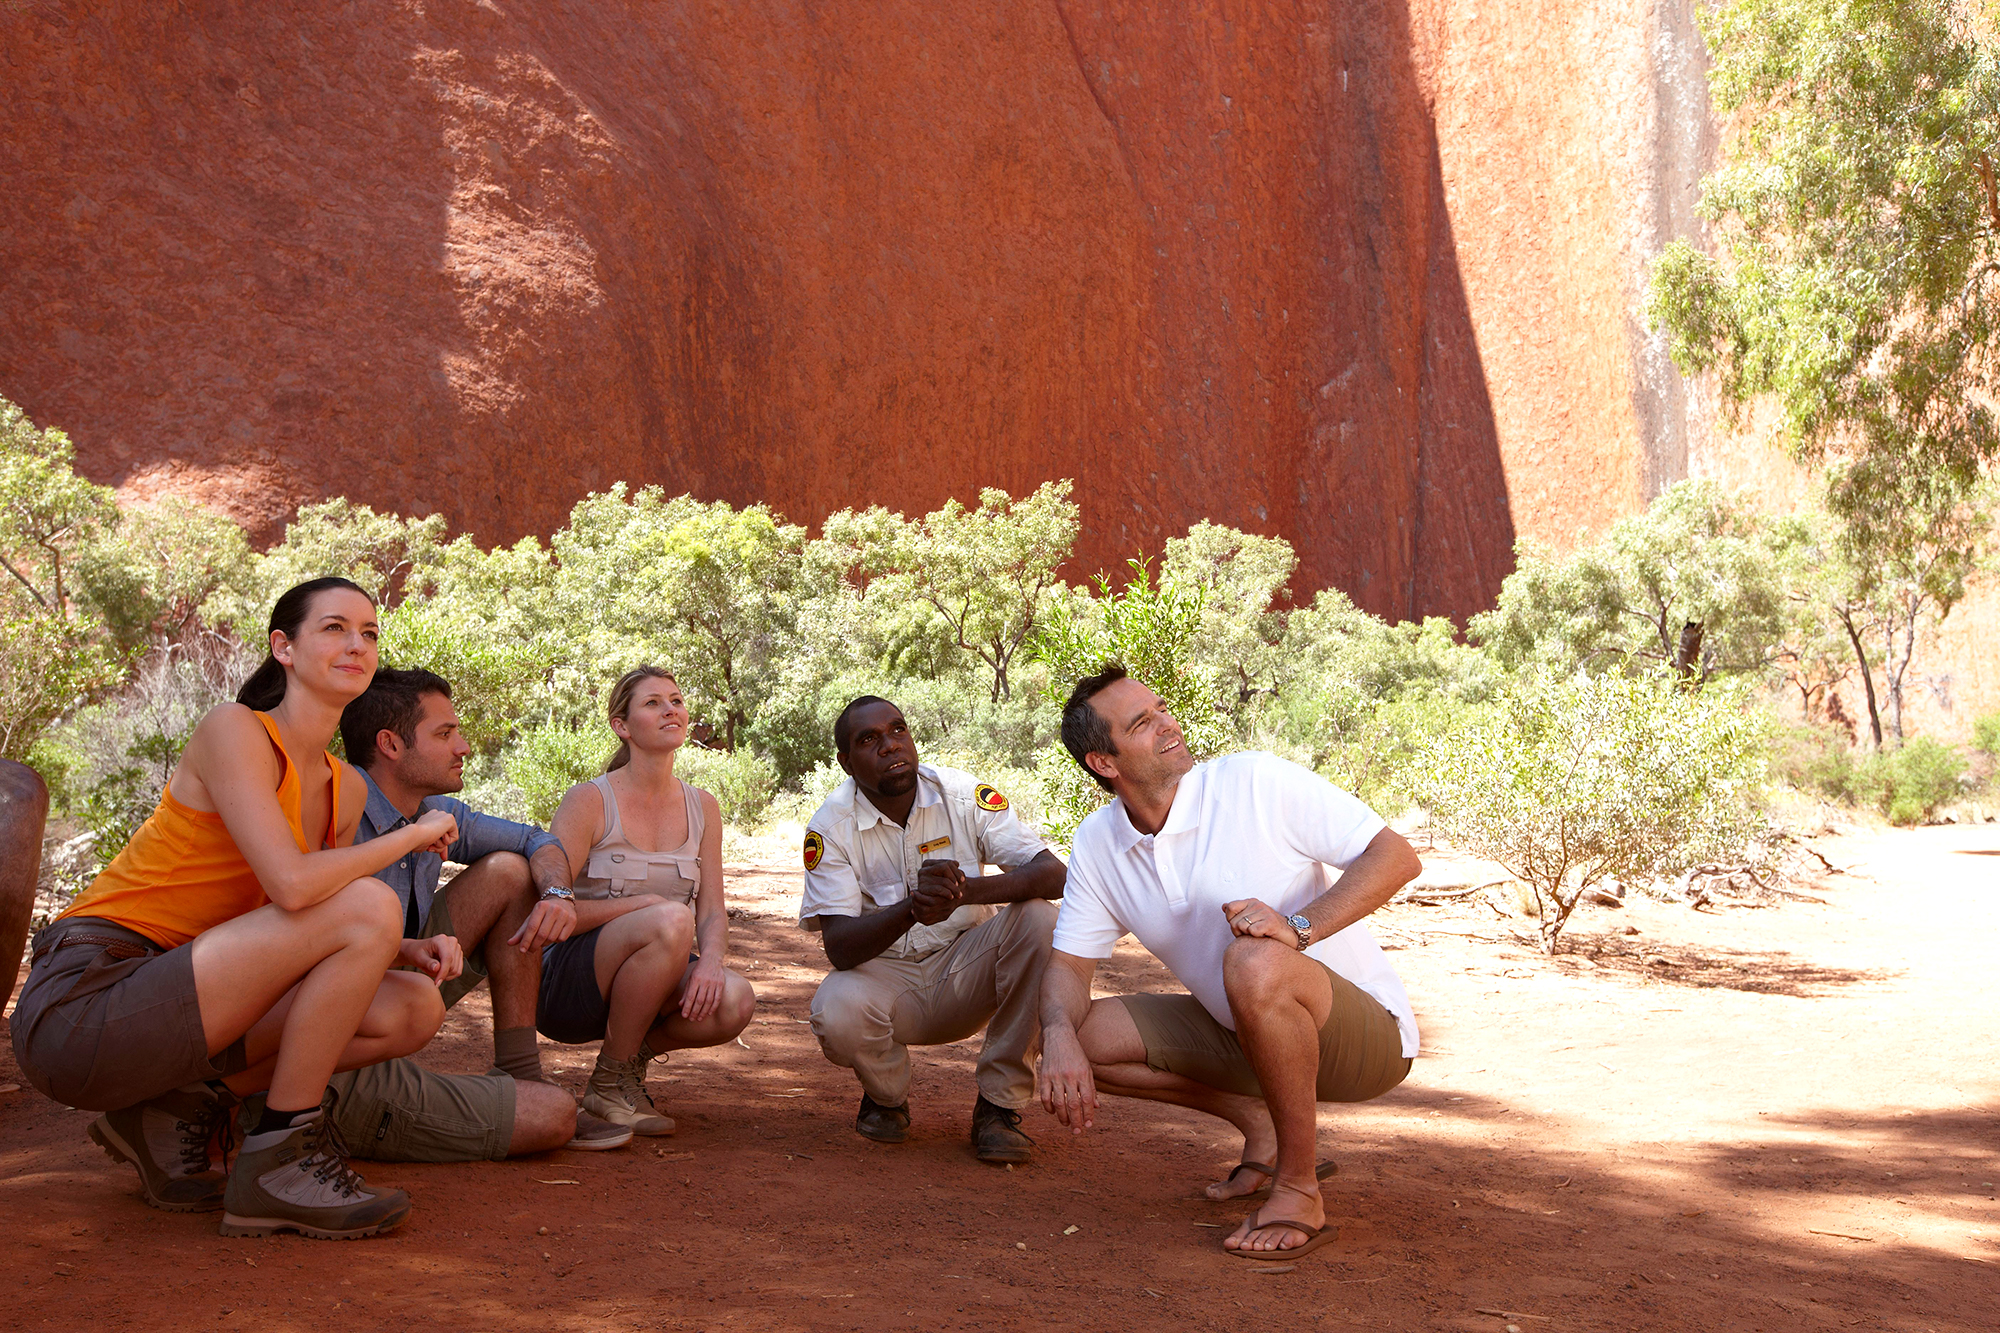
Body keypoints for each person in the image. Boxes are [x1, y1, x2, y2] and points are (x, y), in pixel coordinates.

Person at [9, 578, 450, 1239]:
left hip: (182, 1000)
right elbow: (297, 887)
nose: (356, 642)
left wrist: (407, 947)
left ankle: (172, 1110)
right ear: (285, 647)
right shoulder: (235, 730)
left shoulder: (344, 788)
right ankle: (280, 1157)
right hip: (85, 1001)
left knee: (412, 1005)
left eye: (369, 632)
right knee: (369, 902)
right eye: (333, 628)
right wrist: (410, 836)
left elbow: (305, 919)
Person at [1036, 664, 1423, 1261]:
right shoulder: (1097, 842)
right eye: (1142, 723)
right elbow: (1068, 967)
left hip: (1365, 1039)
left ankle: (1298, 1189)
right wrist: (1056, 1031)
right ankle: (1262, 1125)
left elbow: (1396, 856)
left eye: (1162, 707)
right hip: (1244, 1038)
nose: (1168, 723)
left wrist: (1299, 927)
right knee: (1074, 1035)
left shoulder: (1252, 782)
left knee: (1254, 962)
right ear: (1104, 764)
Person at [330, 667, 629, 1154]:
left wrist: (557, 894)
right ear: (389, 744)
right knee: (552, 1116)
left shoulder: (432, 808)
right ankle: (317, 1114)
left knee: (512, 871)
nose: (463, 746)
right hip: (332, 1040)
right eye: (444, 733)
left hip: (399, 995)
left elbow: (538, 840)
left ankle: (518, 1070)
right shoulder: (334, 812)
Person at [799, 695, 1065, 1163]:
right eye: (869, 739)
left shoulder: (962, 795)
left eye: (897, 730)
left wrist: (962, 893)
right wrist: (912, 909)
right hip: (888, 983)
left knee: (1042, 918)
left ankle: (998, 1109)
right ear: (846, 762)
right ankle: (886, 1098)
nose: (890, 746)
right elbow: (839, 948)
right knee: (834, 1007)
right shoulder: (830, 827)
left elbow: (1052, 874)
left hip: (969, 969)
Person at [542, 666, 757, 1135]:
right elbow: (552, 911)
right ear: (622, 726)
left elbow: (713, 909)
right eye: (653, 703)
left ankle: (620, 1067)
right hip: (568, 982)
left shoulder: (704, 807)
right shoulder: (589, 801)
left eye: (676, 700)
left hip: (654, 968)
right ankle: (610, 1082)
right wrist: (648, 907)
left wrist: (711, 961)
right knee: (670, 920)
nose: (670, 710)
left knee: (735, 1001)